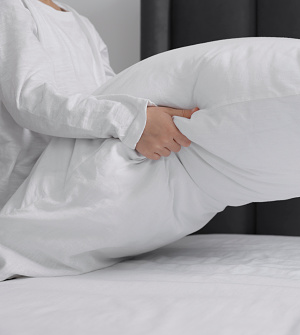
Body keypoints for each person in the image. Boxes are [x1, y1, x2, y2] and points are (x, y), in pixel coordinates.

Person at [0, 0, 198, 210]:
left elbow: (111, 92)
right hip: (27, 195)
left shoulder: (80, 22)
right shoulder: (10, 9)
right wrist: (132, 122)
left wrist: (153, 114)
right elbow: (30, 102)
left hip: (80, 184)